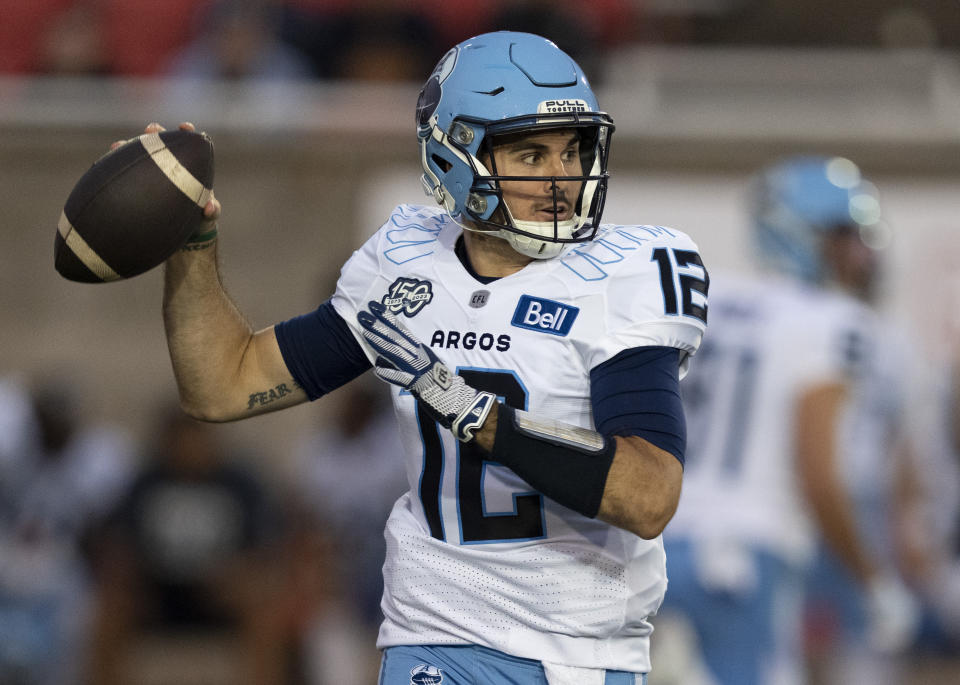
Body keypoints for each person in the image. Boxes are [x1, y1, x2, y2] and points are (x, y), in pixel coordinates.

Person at [115, 31, 708, 682]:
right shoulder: (404, 262)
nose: (561, 177)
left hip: (578, 650)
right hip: (432, 632)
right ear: (455, 157)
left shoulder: (626, 271)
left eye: (572, 149)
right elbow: (223, 385)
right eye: (531, 153)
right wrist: (192, 246)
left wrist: (469, 410)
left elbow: (649, 494)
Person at [654, 155, 918, 685]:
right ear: (802, 234)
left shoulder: (710, 298)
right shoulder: (830, 321)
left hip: (654, 541)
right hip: (746, 554)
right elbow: (819, 471)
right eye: (844, 235)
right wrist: (872, 578)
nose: (858, 253)